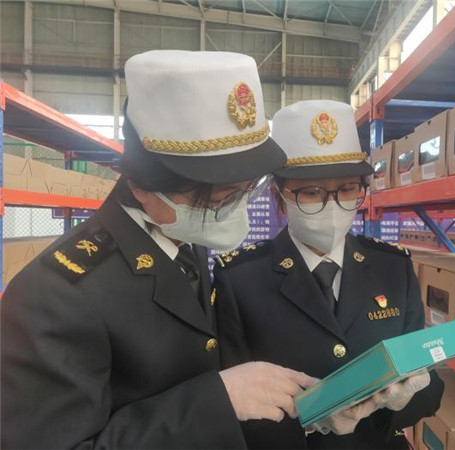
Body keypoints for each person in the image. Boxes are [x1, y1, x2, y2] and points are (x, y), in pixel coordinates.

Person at [1, 51, 316, 449]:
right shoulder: (55, 297)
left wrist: (314, 405)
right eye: (221, 199)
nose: (235, 211)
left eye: (245, 192)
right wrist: (216, 402)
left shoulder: (185, 239)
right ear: (142, 185)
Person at [214, 100, 444, 449]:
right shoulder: (241, 279)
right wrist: (307, 420)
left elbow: (430, 386)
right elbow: (230, 407)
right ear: (279, 197)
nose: (333, 205)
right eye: (312, 192)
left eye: (348, 189)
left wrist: (403, 401)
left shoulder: (393, 267)